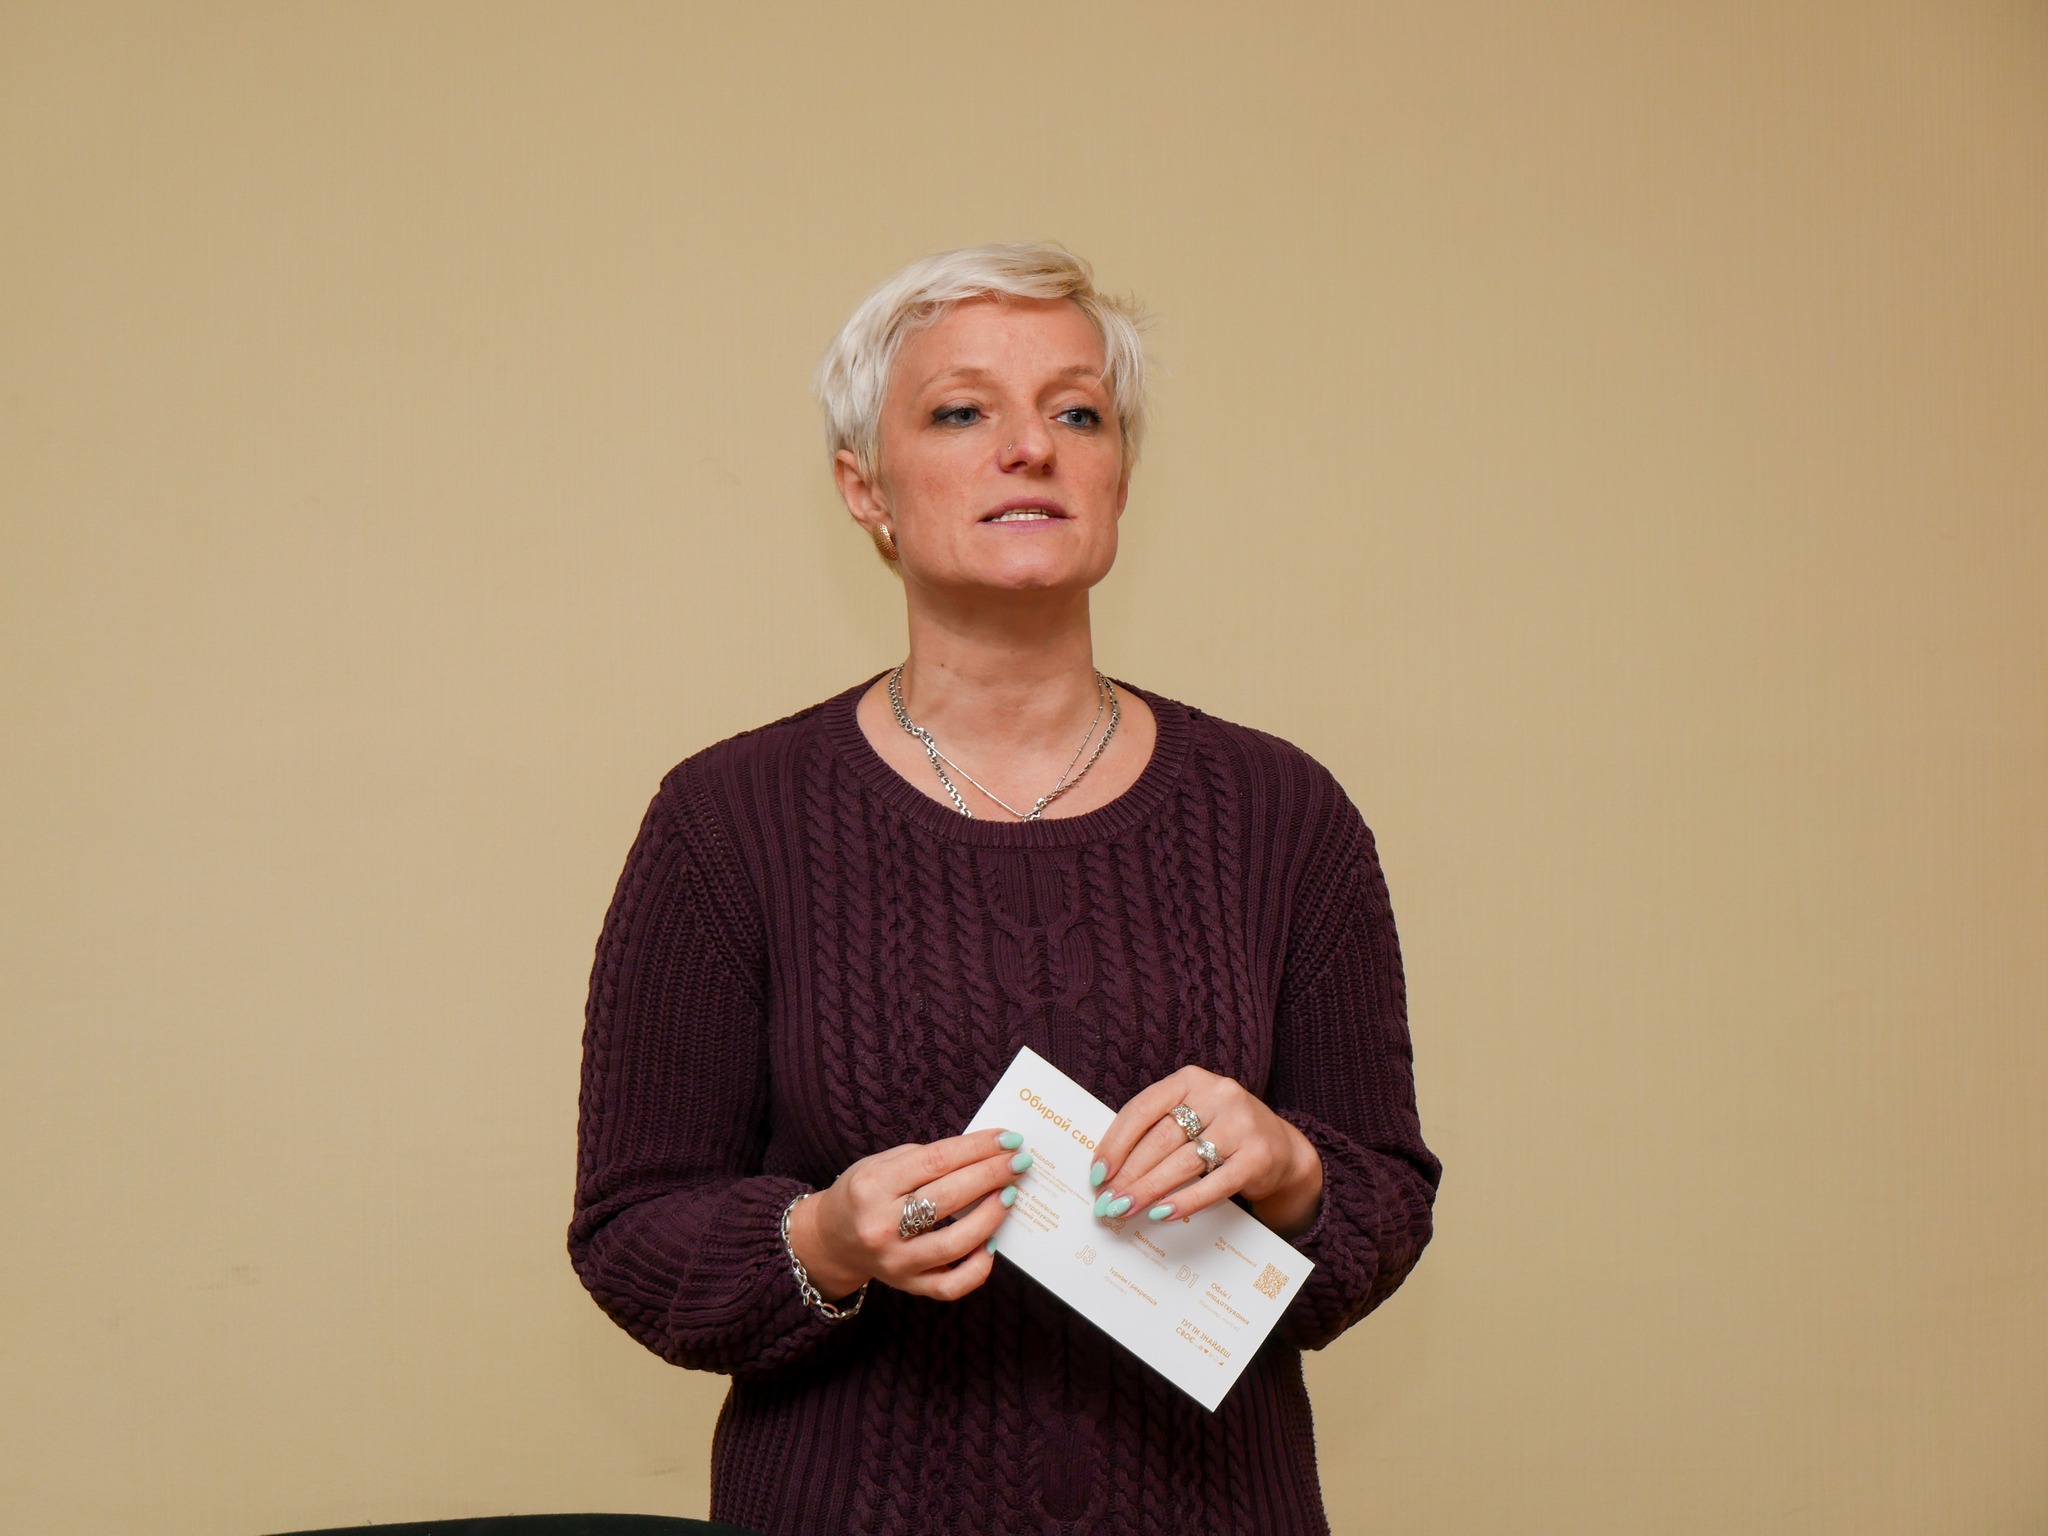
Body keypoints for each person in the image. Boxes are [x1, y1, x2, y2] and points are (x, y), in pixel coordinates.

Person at [568, 243, 1440, 1536]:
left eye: (1077, 414)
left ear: (1118, 479)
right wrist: (826, 1241)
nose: (1030, 448)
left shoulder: (1283, 815)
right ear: (864, 488)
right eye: (961, 412)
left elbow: (1389, 1200)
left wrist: (1294, 1166)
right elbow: (630, 1231)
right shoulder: (727, 821)